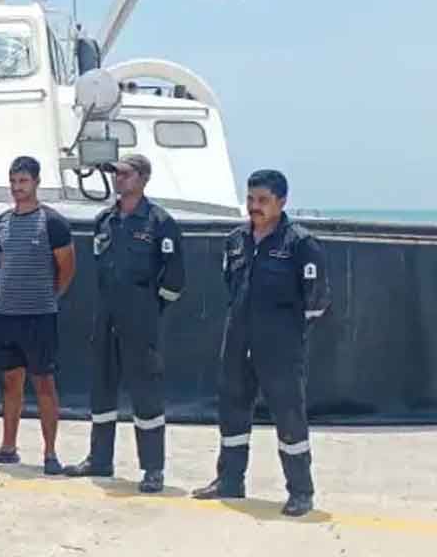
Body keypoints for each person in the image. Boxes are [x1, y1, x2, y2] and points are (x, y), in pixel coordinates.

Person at [193, 170, 329, 517]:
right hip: (238, 337)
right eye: (251, 199)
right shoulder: (236, 239)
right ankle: (230, 481)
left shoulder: (299, 243)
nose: (255, 207)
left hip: (280, 345)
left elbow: (316, 299)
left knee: (288, 415)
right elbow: (231, 283)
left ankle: (300, 491)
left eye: (263, 200)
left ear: (282, 202)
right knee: (232, 408)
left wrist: (286, 333)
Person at [64, 154, 185, 492]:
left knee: (146, 393)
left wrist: (149, 308)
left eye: (125, 174)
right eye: (116, 174)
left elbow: (175, 277)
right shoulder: (105, 220)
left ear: (143, 178)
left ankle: (152, 469)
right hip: (106, 316)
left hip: (140, 318)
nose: (118, 179)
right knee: (101, 388)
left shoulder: (160, 222)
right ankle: (99, 459)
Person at [0, 157, 75, 473]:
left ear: (36, 183)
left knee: (44, 383)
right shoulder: (0, 222)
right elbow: (4, 263)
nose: (18, 188)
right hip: (6, 315)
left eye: (24, 181)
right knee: (10, 382)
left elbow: (67, 268)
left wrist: (48, 297)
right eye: (14, 181)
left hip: (40, 317)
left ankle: (49, 453)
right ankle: (8, 447)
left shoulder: (53, 222)